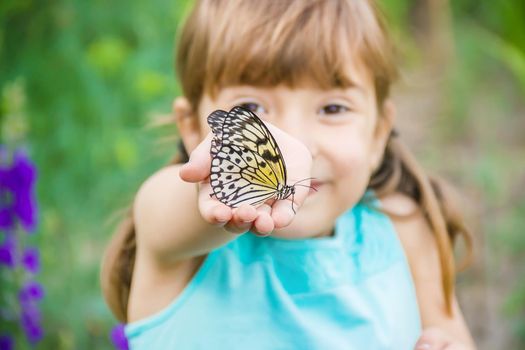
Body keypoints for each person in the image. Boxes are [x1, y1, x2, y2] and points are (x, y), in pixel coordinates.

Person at [101, 0, 476, 349]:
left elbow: (451, 334)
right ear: (193, 129)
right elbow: (163, 208)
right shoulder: (175, 238)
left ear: (378, 133)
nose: (299, 143)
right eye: (251, 107)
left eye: (332, 107)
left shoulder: (403, 228)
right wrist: (226, 175)